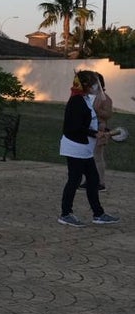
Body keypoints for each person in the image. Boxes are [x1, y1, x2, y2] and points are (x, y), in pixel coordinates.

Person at [57, 71, 118, 228]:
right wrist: (94, 133)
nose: (98, 86)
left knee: (93, 180)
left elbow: (89, 122)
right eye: (95, 83)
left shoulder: (84, 99)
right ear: (87, 86)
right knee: (75, 180)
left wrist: (102, 130)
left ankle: (98, 214)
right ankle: (65, 214)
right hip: (75, 147)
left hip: (84, 148)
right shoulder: (76, 101)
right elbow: (74, 127)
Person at [90, 72, 113, 190]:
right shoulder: (88, 96)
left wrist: (98, 110)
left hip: (100, 129)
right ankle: (88, 180)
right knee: (88, 157)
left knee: (97, 157)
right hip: (89, 130)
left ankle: (101, 182)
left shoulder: (105, 98)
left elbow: (108, 114)